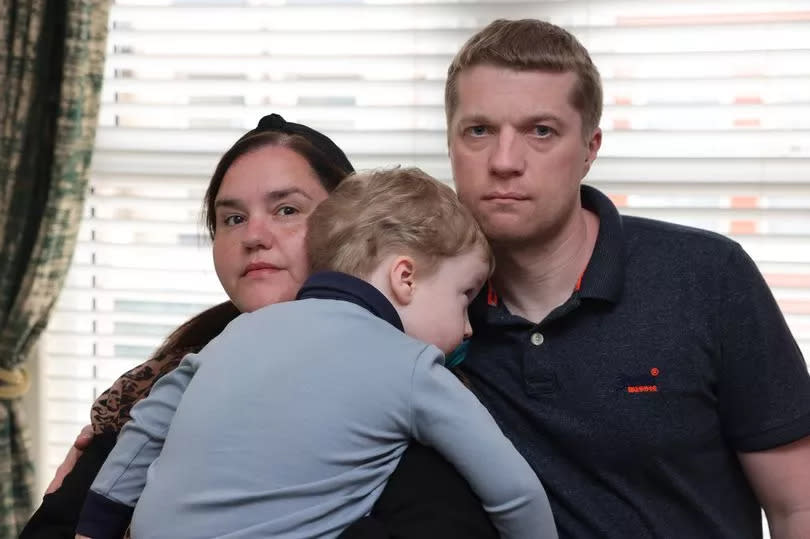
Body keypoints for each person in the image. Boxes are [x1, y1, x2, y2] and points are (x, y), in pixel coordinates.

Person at [22, 117, 500, 538]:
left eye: (287, 210)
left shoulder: (414, 383)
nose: (253, 236)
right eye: (232, 218)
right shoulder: (159, 383)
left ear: (352, 225)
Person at [440, 18, 810, 539]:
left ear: (590, 149)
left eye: (540, 131)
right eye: (479, 131)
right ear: (451, 144)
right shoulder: (422, 307)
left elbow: (799, 507)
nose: (504, 162)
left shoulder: (707, 276)